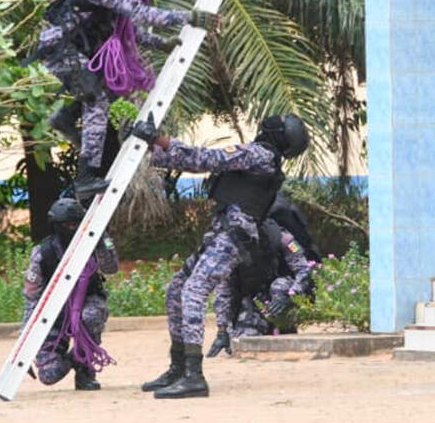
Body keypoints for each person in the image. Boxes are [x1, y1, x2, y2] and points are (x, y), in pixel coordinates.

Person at [133, 114, 310, 399]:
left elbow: (204, 158)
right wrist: (152, 149)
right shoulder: (263, 158)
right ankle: (178, 367)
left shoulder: (259, 154)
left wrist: (158, 139)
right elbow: (186, 160)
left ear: (279, 137)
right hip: (221, 235)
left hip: (231, 239)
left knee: (193, 291)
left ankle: (193, 375)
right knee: (176, 289)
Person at [31, 0, 219, 197]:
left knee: (107, 89)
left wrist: (160, 43)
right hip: (61, 48)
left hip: (68, 49)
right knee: (96, 100)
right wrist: (190, 17)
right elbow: (142, 14)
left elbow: (128, 28)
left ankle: (66, 116)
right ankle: (85, 178)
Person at [21, 198, 119, 391]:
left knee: (90, 317)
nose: (71, 228)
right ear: (56, 226)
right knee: (49, 375)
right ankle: (76, 357)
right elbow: (31, 298)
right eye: (66, 225)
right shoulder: (43, 253)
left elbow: (111, 268)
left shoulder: (93, 242)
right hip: (55, 313)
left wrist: (102, 240)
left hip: (88, 301)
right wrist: (24, 348)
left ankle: (85, 370)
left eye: (76, 224)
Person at [209, 217, 315, 352]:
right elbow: (224, 290)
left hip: (283, 294)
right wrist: (223, 330)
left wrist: (292, 293)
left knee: (279, 286)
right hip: (252, 300)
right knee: (244, 345)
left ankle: (285, 326)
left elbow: (303, 269)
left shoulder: (282, 237)